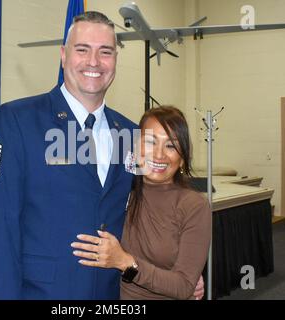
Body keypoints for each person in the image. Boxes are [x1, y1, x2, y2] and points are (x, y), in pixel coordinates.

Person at [0, 11, 204, 299]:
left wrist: (177, 269)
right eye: (82, 50)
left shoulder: (131, 134)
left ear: (115, 61)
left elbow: (152, 210)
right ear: (63, 55)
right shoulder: (18, 121)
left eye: (105, 52)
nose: (94, 62)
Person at [72, 106, 212, 300]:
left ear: (182, 159)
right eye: (150, 142)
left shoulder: (194, 205)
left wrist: (125, 262)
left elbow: (184, 287)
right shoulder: (119, 192)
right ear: (136, 148)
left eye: (171, 146)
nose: (159, 155)